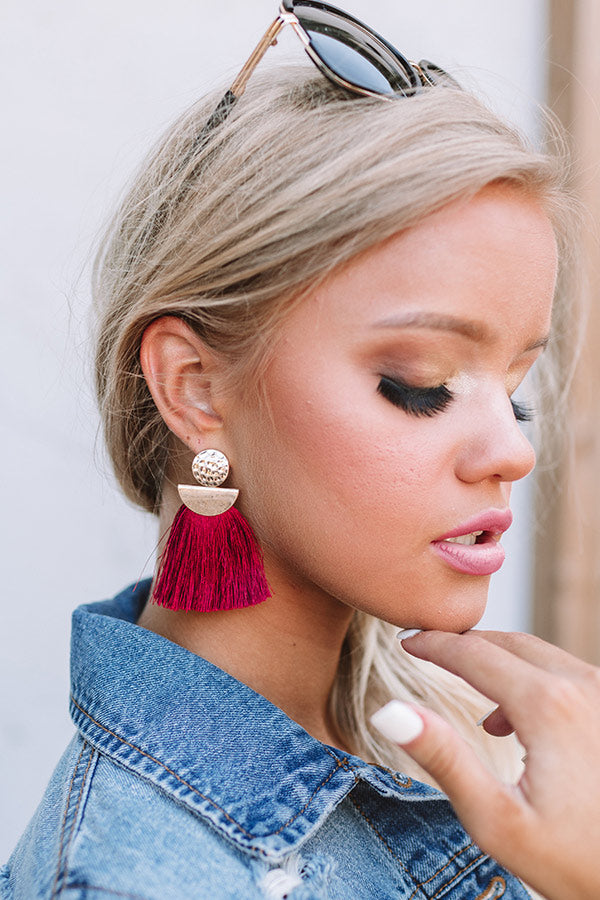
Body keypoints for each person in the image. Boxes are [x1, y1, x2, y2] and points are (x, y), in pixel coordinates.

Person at [2, 3, 599, 899]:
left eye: (514, 392)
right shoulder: (136, 882)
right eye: (421, 384)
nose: (511, 451)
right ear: (196, 389)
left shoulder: (457, 740)